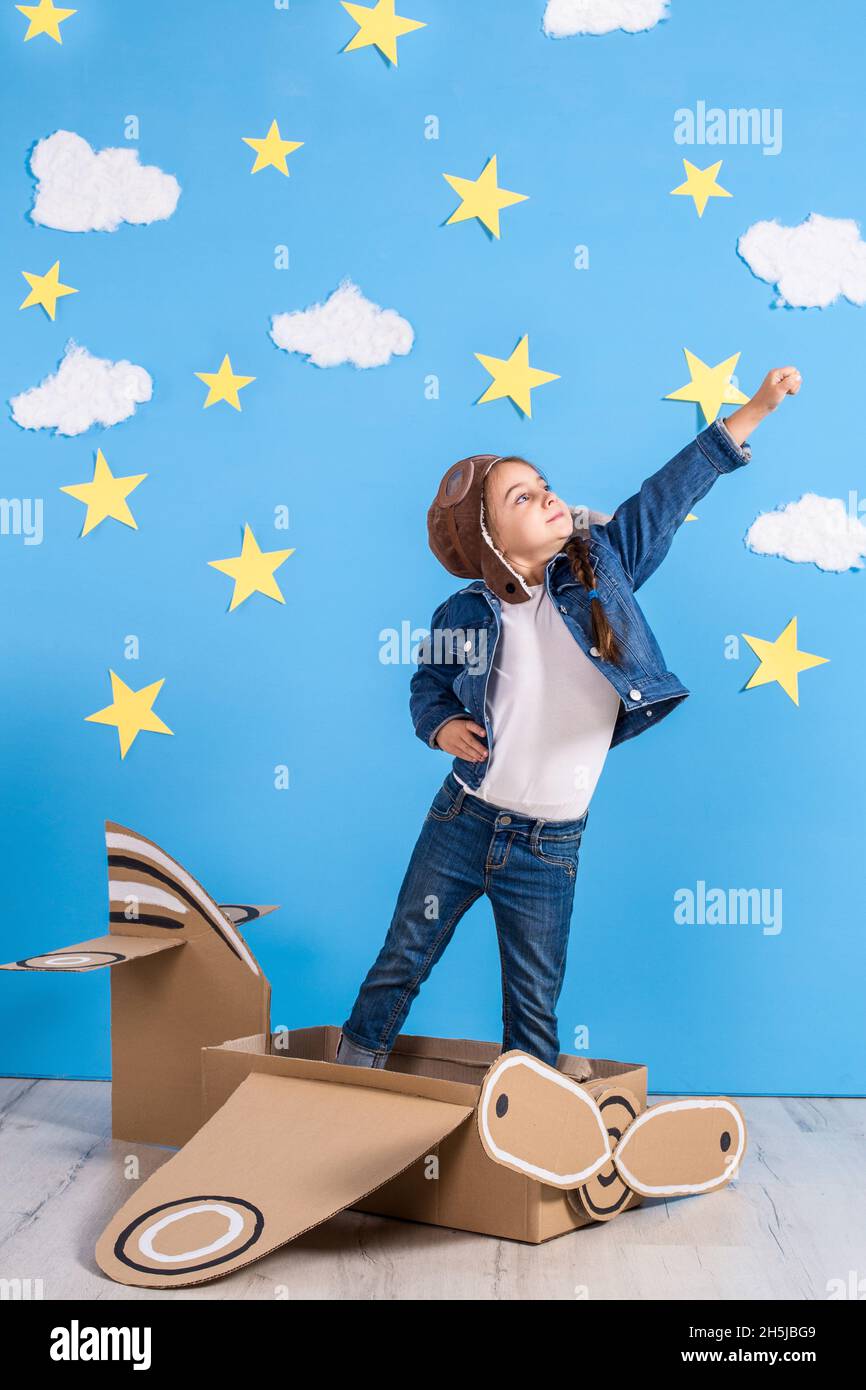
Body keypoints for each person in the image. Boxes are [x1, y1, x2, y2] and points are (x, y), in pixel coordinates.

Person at [335, 367, 802, 1070]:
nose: (548, 496)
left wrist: (755, 410)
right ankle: (354, 1065)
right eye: (522, 497)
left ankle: (531, 1113)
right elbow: (427, 682)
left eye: (543, 484)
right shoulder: (465, 612)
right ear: (491, 540)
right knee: (405, 951)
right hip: (461, 820)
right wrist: (438, 726)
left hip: (549, 847)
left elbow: (669, 493)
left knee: (533, 994)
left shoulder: (603, 571)